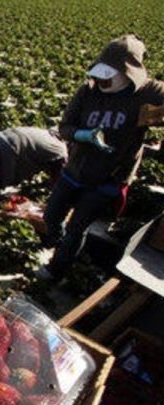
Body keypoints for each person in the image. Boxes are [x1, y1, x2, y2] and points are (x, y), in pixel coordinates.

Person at [39, 34, 164, 280]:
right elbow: (65, 127)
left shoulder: (147, 93)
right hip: (76, 170)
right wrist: (83, 135)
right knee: (51, 215)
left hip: (109, 179)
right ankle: (60, 244)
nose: (100, 81)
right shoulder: (88, 91)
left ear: (129, 73)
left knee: (77, 227)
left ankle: (57, 270)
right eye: (98, 75)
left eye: (108, 77)